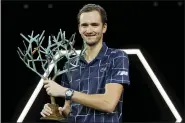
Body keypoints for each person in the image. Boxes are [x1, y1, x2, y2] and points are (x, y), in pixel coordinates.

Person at [41, 3, 130, 123]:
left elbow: (109, 103)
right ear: (79, 28)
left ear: (104, 27)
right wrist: (57, 112)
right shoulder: (69, 65)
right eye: (84, 25)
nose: (89, 30)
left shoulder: (117, 57)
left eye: (94, 25)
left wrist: (65, 92)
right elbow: (69, 110)